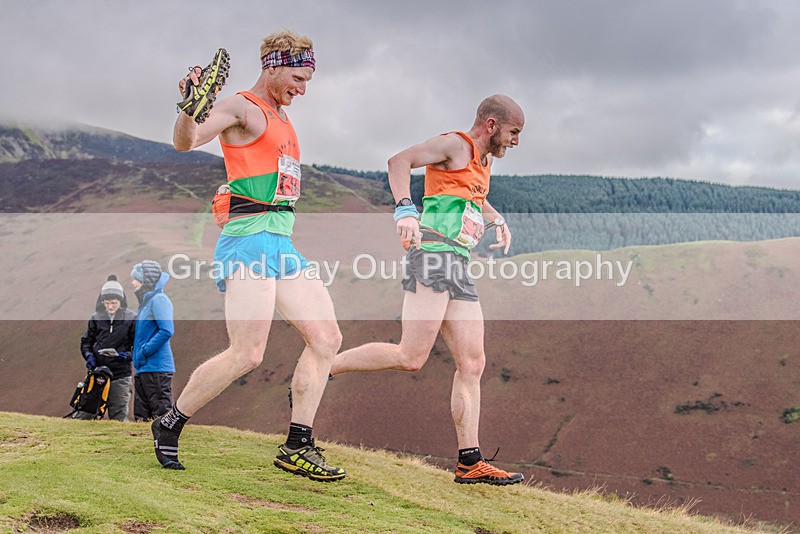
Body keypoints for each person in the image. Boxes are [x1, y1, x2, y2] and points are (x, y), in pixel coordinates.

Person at [150, 30, 345, 481]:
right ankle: (171, 421)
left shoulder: (282, 117)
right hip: (248, 242)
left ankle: (297, 445)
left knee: (327, 339)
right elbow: (186, 141)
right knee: (247, 353)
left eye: (308, 80)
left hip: (281, 243)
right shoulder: (241, 106)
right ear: (273, 67)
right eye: (298, 78)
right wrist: (189, 109)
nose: (303, 89)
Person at [330, 95, 526, 485]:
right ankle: (324, 368)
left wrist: (496, 219)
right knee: (410, 356)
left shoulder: (483, 163)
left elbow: (474, 197)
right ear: (491, 125)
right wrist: (405, 209)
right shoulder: (454, 145)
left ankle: (470, 461)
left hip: (460, 264)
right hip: (433, 256)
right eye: (514, 132)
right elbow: (398, 161)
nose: (516, 141)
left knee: (473, 363)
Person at [76, 275, 136, 421]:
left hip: (121, 374)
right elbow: (86, 342)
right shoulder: (96, 318)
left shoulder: (131, 319)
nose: (110, 307)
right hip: (97, 373)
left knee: (119, 415)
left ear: (121, 301)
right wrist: (89, 356)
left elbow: (137, 347)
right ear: (102, 301)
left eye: (114, 303)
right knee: (87, 411)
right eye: (107, 302)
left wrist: (125, 356)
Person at [131, 260, 176, 422]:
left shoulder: (159, 300)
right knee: (141, 418)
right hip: (144, 368)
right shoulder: (146, 303)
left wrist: (144, 351)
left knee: (161, 414)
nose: (133, 282)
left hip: (157, 368)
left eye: (136, 279)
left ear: (146, 281)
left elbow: (167, 330)